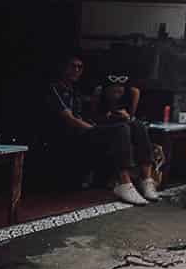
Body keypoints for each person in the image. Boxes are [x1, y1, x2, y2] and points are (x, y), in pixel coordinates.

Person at [47, 55, 158, 205]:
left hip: (88, 129)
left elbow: (134, 91)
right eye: (72, 66)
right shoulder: (55, 88)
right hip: (71, 135)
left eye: (80, 67)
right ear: (63, 68)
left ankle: (146, 179)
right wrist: (93, 128)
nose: (76, 70)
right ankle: (124, 183)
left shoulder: (76, 89)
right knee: (121, 129)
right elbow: (70, 119)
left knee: (137, 125)